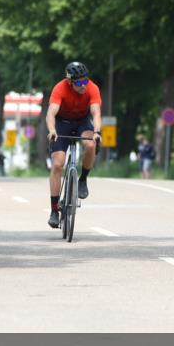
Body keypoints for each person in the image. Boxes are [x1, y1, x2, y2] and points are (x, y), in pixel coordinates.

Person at [46, 61, 102, 229]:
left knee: (90, 145)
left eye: (85, 80)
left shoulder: (92, 88)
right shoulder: (60, 88)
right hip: (62, 123)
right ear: (70, 82)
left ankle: (83, 179)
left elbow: (96, 112)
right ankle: (54, 210)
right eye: (79, 83)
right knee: (57, 164)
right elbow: (51, 113)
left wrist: (97, 132)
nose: (84, 85)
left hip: (82, 122)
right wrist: (52, 130)